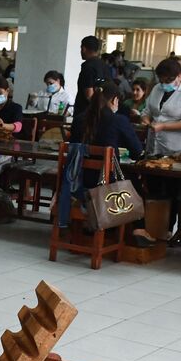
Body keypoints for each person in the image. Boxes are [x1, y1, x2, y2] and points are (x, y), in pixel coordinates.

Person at [61, 80, 157, 245]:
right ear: (114, 100)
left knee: (124, 177)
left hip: (77, 184)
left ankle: (89, 226)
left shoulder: (78, 120)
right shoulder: (118, 120)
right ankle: (138, 229)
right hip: (106, 189)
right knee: (136, 182)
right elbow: (137, 152)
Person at [140, 57, 181, 155]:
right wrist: (146, 120)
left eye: (167, 82)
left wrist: (163, 126)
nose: (164, 85)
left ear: (179, 76)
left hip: (177, 147)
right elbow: (147, 110)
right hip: (153, 144)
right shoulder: (157, 88)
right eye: (161, 81)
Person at [74, 35, 109, 119]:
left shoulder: (88, 67)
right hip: (102, 113)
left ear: (83, 48)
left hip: (86, 114)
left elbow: (89, 94)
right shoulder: (104, 66)